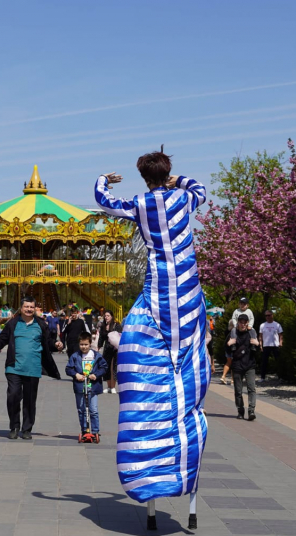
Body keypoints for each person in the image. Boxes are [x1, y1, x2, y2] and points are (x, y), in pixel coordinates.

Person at [95, 147, 210, 509]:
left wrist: (104, 180)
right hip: (188, 293)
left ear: (144, 177)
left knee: (144, 362)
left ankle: (149, 463)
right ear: (168, 172)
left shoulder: (140, 205)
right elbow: (202, 189)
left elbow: (103, 201)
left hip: (158, 291)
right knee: (187, 365)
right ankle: (185, 451)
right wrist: (181, 180)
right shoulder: (184, 198)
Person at [0, 296, 63, 440]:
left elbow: (48, 342)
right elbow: (2, 340)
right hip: (14, 368)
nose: (29, 309)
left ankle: (27, 428)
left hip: (33, 368)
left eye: (32, 307)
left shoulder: (41, 324)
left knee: (30, 400)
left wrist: (56, 345)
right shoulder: (13, 324)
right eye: (26, 306)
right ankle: (14, 426)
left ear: (35, 308)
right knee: (13, 396)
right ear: (21, 307)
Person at [65, 332, 108, 443]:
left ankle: (94, 431)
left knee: (93, 410)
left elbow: (104, 367)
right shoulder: (75, 356)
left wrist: (96, 375)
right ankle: (85, 430)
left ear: (90, 344)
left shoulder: (96, 356)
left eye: (86, 344)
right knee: (81, 409)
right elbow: (68, 369)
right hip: (80, 387)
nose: (83, 347)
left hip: (92, 387)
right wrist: (76, 374)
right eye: (81, 345)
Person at [228, 314, 259, 420]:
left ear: (247, 323)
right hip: (237, 366)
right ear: (238, 323)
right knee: (238, 390)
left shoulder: (251, 333)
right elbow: (227, 351)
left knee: (251, 388)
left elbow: (257, 352)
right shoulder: (233, 333)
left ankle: (251, 411)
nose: (243, 324)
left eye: (245, 322)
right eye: (241, 322)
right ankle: (240, 410)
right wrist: (228, 344)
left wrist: (257, 344)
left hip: (250, 365)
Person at [97, 310, 121, 394]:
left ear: (111, 316)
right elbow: (101, 338)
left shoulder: (116, 325)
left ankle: (113, 387)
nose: (106, 317)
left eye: (108, 315)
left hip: (115, 349)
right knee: (106, 367)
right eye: (105, 316)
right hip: (107, 348)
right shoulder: (103, 326)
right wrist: (98, 347)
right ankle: (108, 386)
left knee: (114, 367)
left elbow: (120, 336)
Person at [258, 310, 283, 381]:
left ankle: (280, 377)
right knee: (264, 362)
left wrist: (281, 342)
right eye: (266, 315)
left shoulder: (277, 325)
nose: (267, 317)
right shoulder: (262, 325)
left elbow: (280, 335)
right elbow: (260, 336)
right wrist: (260, 345)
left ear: (272, 315)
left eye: (269, 315)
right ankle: (262, 377)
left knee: (278, 361)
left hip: (275, 345)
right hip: (266, 345)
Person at [219, 320, 235, 385]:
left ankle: (223, 376)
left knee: (228, 363)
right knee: (234, 364)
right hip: (234, 349)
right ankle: (232, 380)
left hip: (227, 349)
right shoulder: (235, 331)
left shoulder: (227, 331)